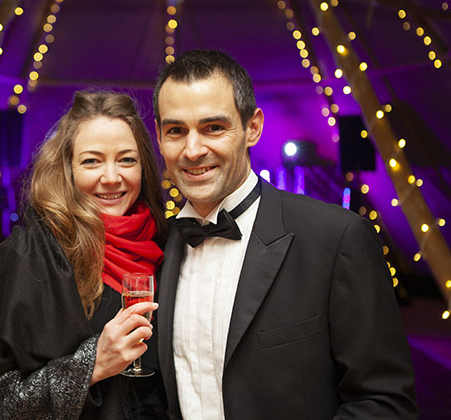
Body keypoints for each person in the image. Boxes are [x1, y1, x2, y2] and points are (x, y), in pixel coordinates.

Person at [153, 49, 418, 419]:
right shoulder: (157, 248)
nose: (193, 150)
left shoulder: (336, 238)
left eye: (214, 127)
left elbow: (384, 402)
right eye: (176, 131)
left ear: (253, 128)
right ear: (159, 137)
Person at [0, 91, 168, 419]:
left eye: (127, 159)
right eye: (91, 161)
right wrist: (90, 366)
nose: (111, 177)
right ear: (66, 169)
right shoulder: (22, 259)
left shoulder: (165, 245)